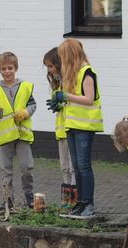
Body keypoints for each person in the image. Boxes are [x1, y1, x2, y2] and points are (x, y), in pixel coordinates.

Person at [51, 39, 102, 220]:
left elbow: (88, 99)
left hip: (85, 127)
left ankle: (88, 203)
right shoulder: (71, 74)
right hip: (71, 126)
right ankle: (80, 202)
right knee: (77, 168)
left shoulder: (87, 72)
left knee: (83, 166)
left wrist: (66, 95)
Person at [0, 51, 37, 209]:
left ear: (15, 68)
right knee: (5, 170)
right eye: (4, 69)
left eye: (10, 68)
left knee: (27, 167)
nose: (7, 71)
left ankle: (29, 196)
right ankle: (8, 199)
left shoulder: (25, 86)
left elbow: (33, 104)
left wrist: (26, 112)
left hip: (22, 134)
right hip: (5, 136)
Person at [43, 47, 77, 209]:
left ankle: (75, 199)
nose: (49, 70)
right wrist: (56, 105)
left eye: (50, 66)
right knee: (64, 167)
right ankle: (66, 199)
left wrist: (63, 101)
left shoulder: (70, 81)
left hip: (71, 128)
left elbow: (73, 101)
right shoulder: (56, 84)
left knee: (72, 167)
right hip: (60, 130)